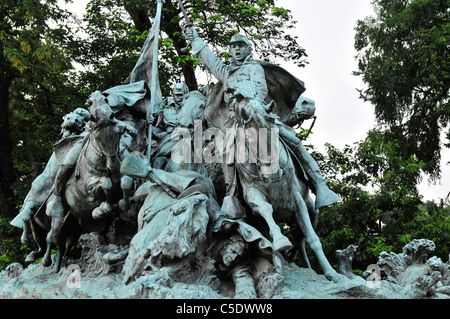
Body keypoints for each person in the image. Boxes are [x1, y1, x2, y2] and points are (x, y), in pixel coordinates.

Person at [183, 27, 339, 211]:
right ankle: (230, 196)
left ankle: (320, 185)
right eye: (234, 47)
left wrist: (248, 98)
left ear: (248, 50)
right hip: (234, 120)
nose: (237, 50)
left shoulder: (254, 68)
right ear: (230, 51)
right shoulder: (226, 73)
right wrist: (195, 40)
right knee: (225, 151)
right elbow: (209, 60)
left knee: (294, 141)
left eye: (241, 46)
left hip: (258, 114)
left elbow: (261, 90)